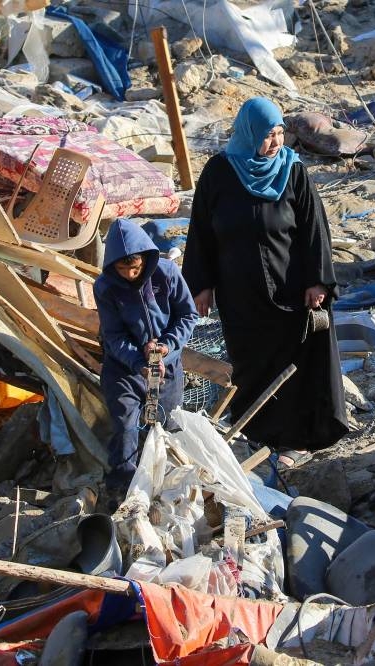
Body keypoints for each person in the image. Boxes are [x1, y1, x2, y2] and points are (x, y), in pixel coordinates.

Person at [183, 97, 348, 465]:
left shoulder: (293, 171)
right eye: (267, 135)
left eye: (279, 134)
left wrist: (318, 281)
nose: (275, 142)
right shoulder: (219, 172)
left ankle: (295, 440)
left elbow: (315, 229)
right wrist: (201, 285)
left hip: (291, 290)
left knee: (294, 363)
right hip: (239, 292)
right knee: (249, 362)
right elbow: (201, 232)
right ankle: (255, 433)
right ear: (248, 133)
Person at [95, 218, 198, 486]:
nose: (130, 275)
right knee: (125, 427)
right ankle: (124, 488)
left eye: (136, 268)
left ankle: (166, 487)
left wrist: (167, 347)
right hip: (125, 368)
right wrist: (137, 361)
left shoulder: (167, 273)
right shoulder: (105, 287)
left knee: (167, 426)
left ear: (145, 259)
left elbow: (188, 315)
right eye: (122, 269)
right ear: (112, 266)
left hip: (167, 366)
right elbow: (113, 335)